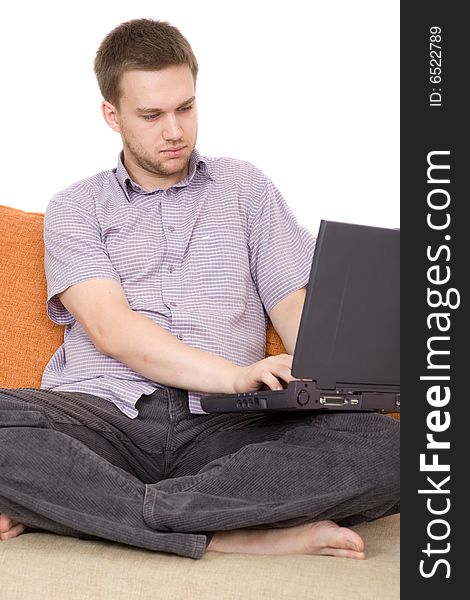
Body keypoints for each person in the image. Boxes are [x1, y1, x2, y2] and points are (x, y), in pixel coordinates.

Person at [0, 18, 399, 560]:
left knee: (394, 447)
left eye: (185, 108)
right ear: (111, 116)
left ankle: (101, 511)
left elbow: (295, 311)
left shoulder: (246, 189)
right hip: (104, 419)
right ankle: (233, 532)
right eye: (152, 115)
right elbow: (111, 329)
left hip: (226, 427)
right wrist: (234, 375)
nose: (175, 131)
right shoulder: (76, 207)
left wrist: (336, 372)